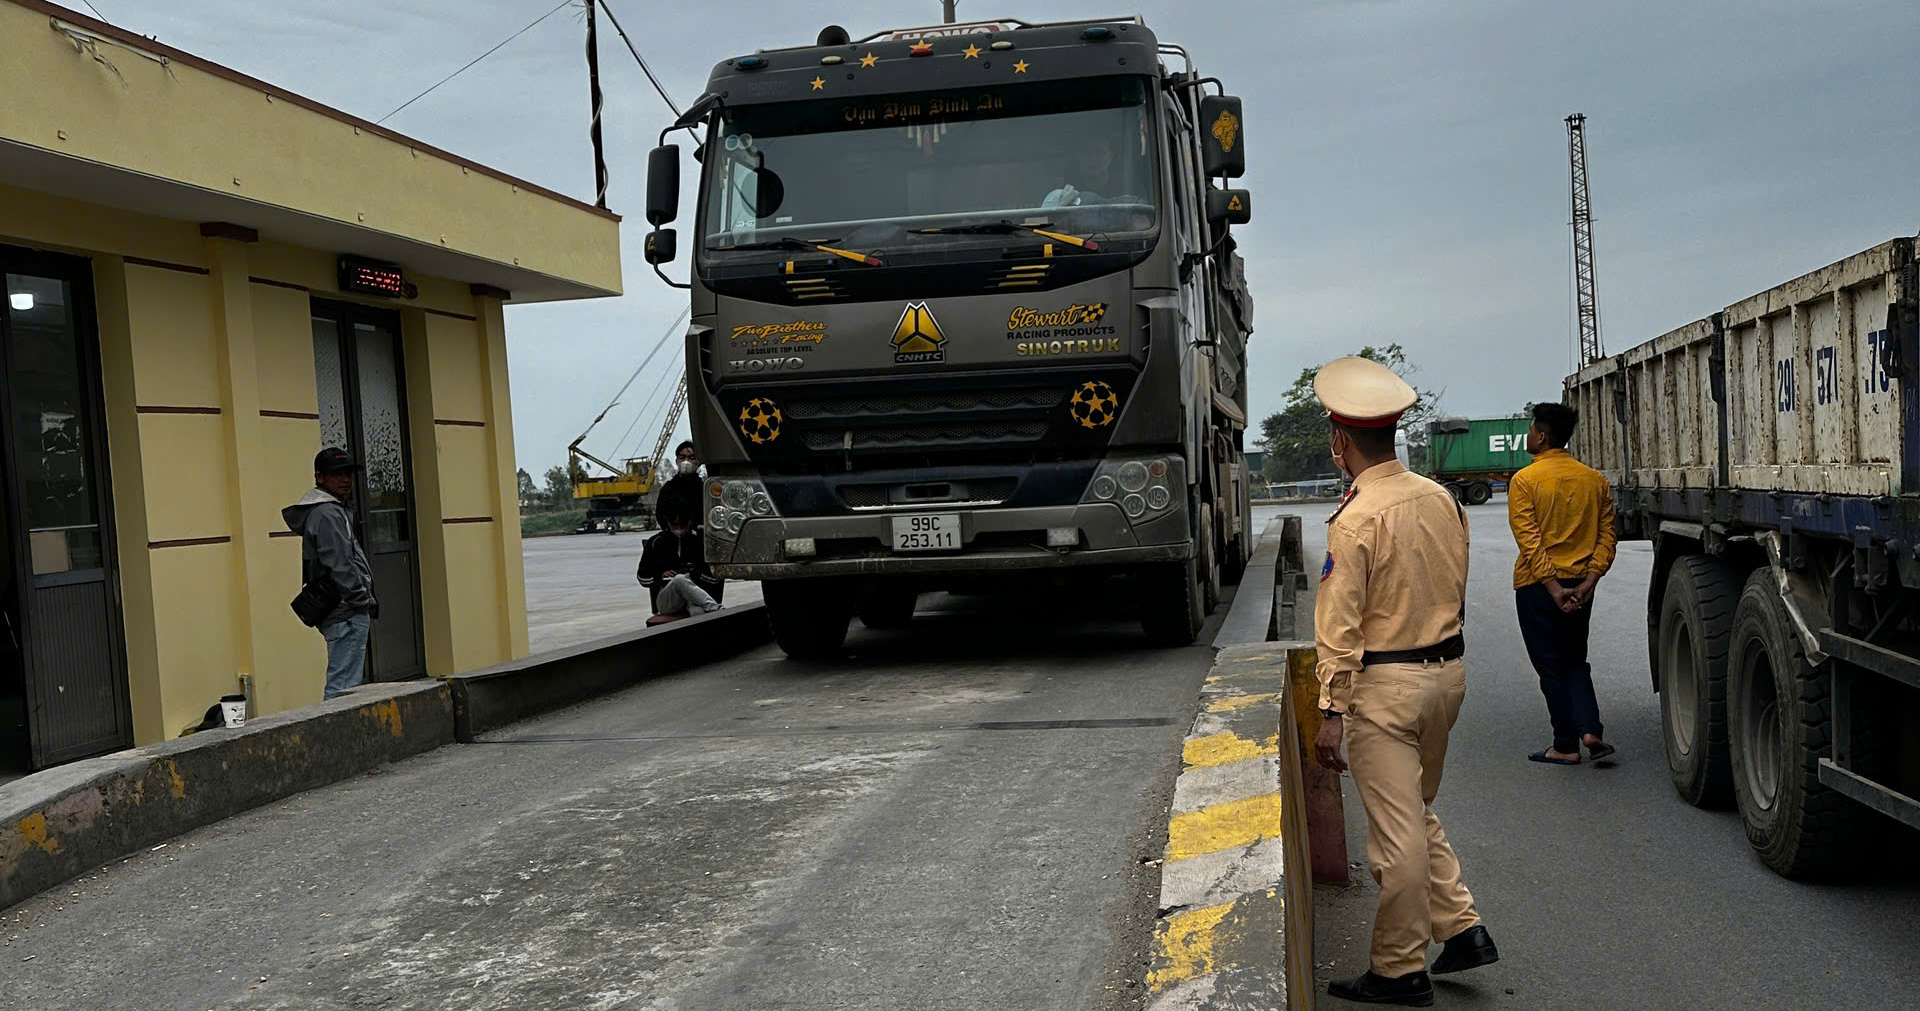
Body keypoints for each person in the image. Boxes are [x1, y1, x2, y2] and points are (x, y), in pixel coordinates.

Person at [1311, 356, 1497, 1006]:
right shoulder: (1440, 498)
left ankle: (1398, 968)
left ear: (1339, 442)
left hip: (1385, 690)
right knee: (1411, 810)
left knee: (1396, 836)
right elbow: (1458, 586)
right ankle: (1463, 927)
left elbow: (1338, 629)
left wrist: (1330, 709)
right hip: (1447, 675)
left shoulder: (1355, 519)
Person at [1508, 401, 1618, 766]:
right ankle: (1590, 730)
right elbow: (1607, 536)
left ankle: (1565, 745)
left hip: (1539, 587)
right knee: (1575, 660)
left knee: (1551, 667)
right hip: (1580, 585)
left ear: (1540, 436)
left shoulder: (1525, 481)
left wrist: (1554, 589)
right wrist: (1589, 581)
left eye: (1530, 430)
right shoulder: (1594, 479)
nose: (1528, 435)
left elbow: (1529, 540)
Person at [282, 447, 377, 699]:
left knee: (344, 684)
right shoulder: (327, 513)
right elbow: (340, 565)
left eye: (348, 473)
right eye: (337, 474)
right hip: (345, 610)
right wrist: (361, 601)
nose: (345, 479)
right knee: (342, 688)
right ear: (319, 477)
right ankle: (337, 738)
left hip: (341, 609)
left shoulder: (332, 509)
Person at [636, 494, 722, 625]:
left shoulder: (699, 541)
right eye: (674, 525)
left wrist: (694, 574)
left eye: (683, 524)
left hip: (695, 596)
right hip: (668, 599)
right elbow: (642, 577)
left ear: (689, 521)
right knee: (679, 580)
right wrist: (660, 576)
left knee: (698, 613)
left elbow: (716, 577)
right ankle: (717, 609)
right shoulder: (656, 543)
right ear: (667, 522)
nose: (679, 529)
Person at [1041, 136, 1116, 208]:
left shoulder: (1124, 188)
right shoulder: (1061, 196)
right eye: (1085, 152)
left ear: (1110, 157)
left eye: (1099, 152)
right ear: (1078, 158)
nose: (1092, 158)